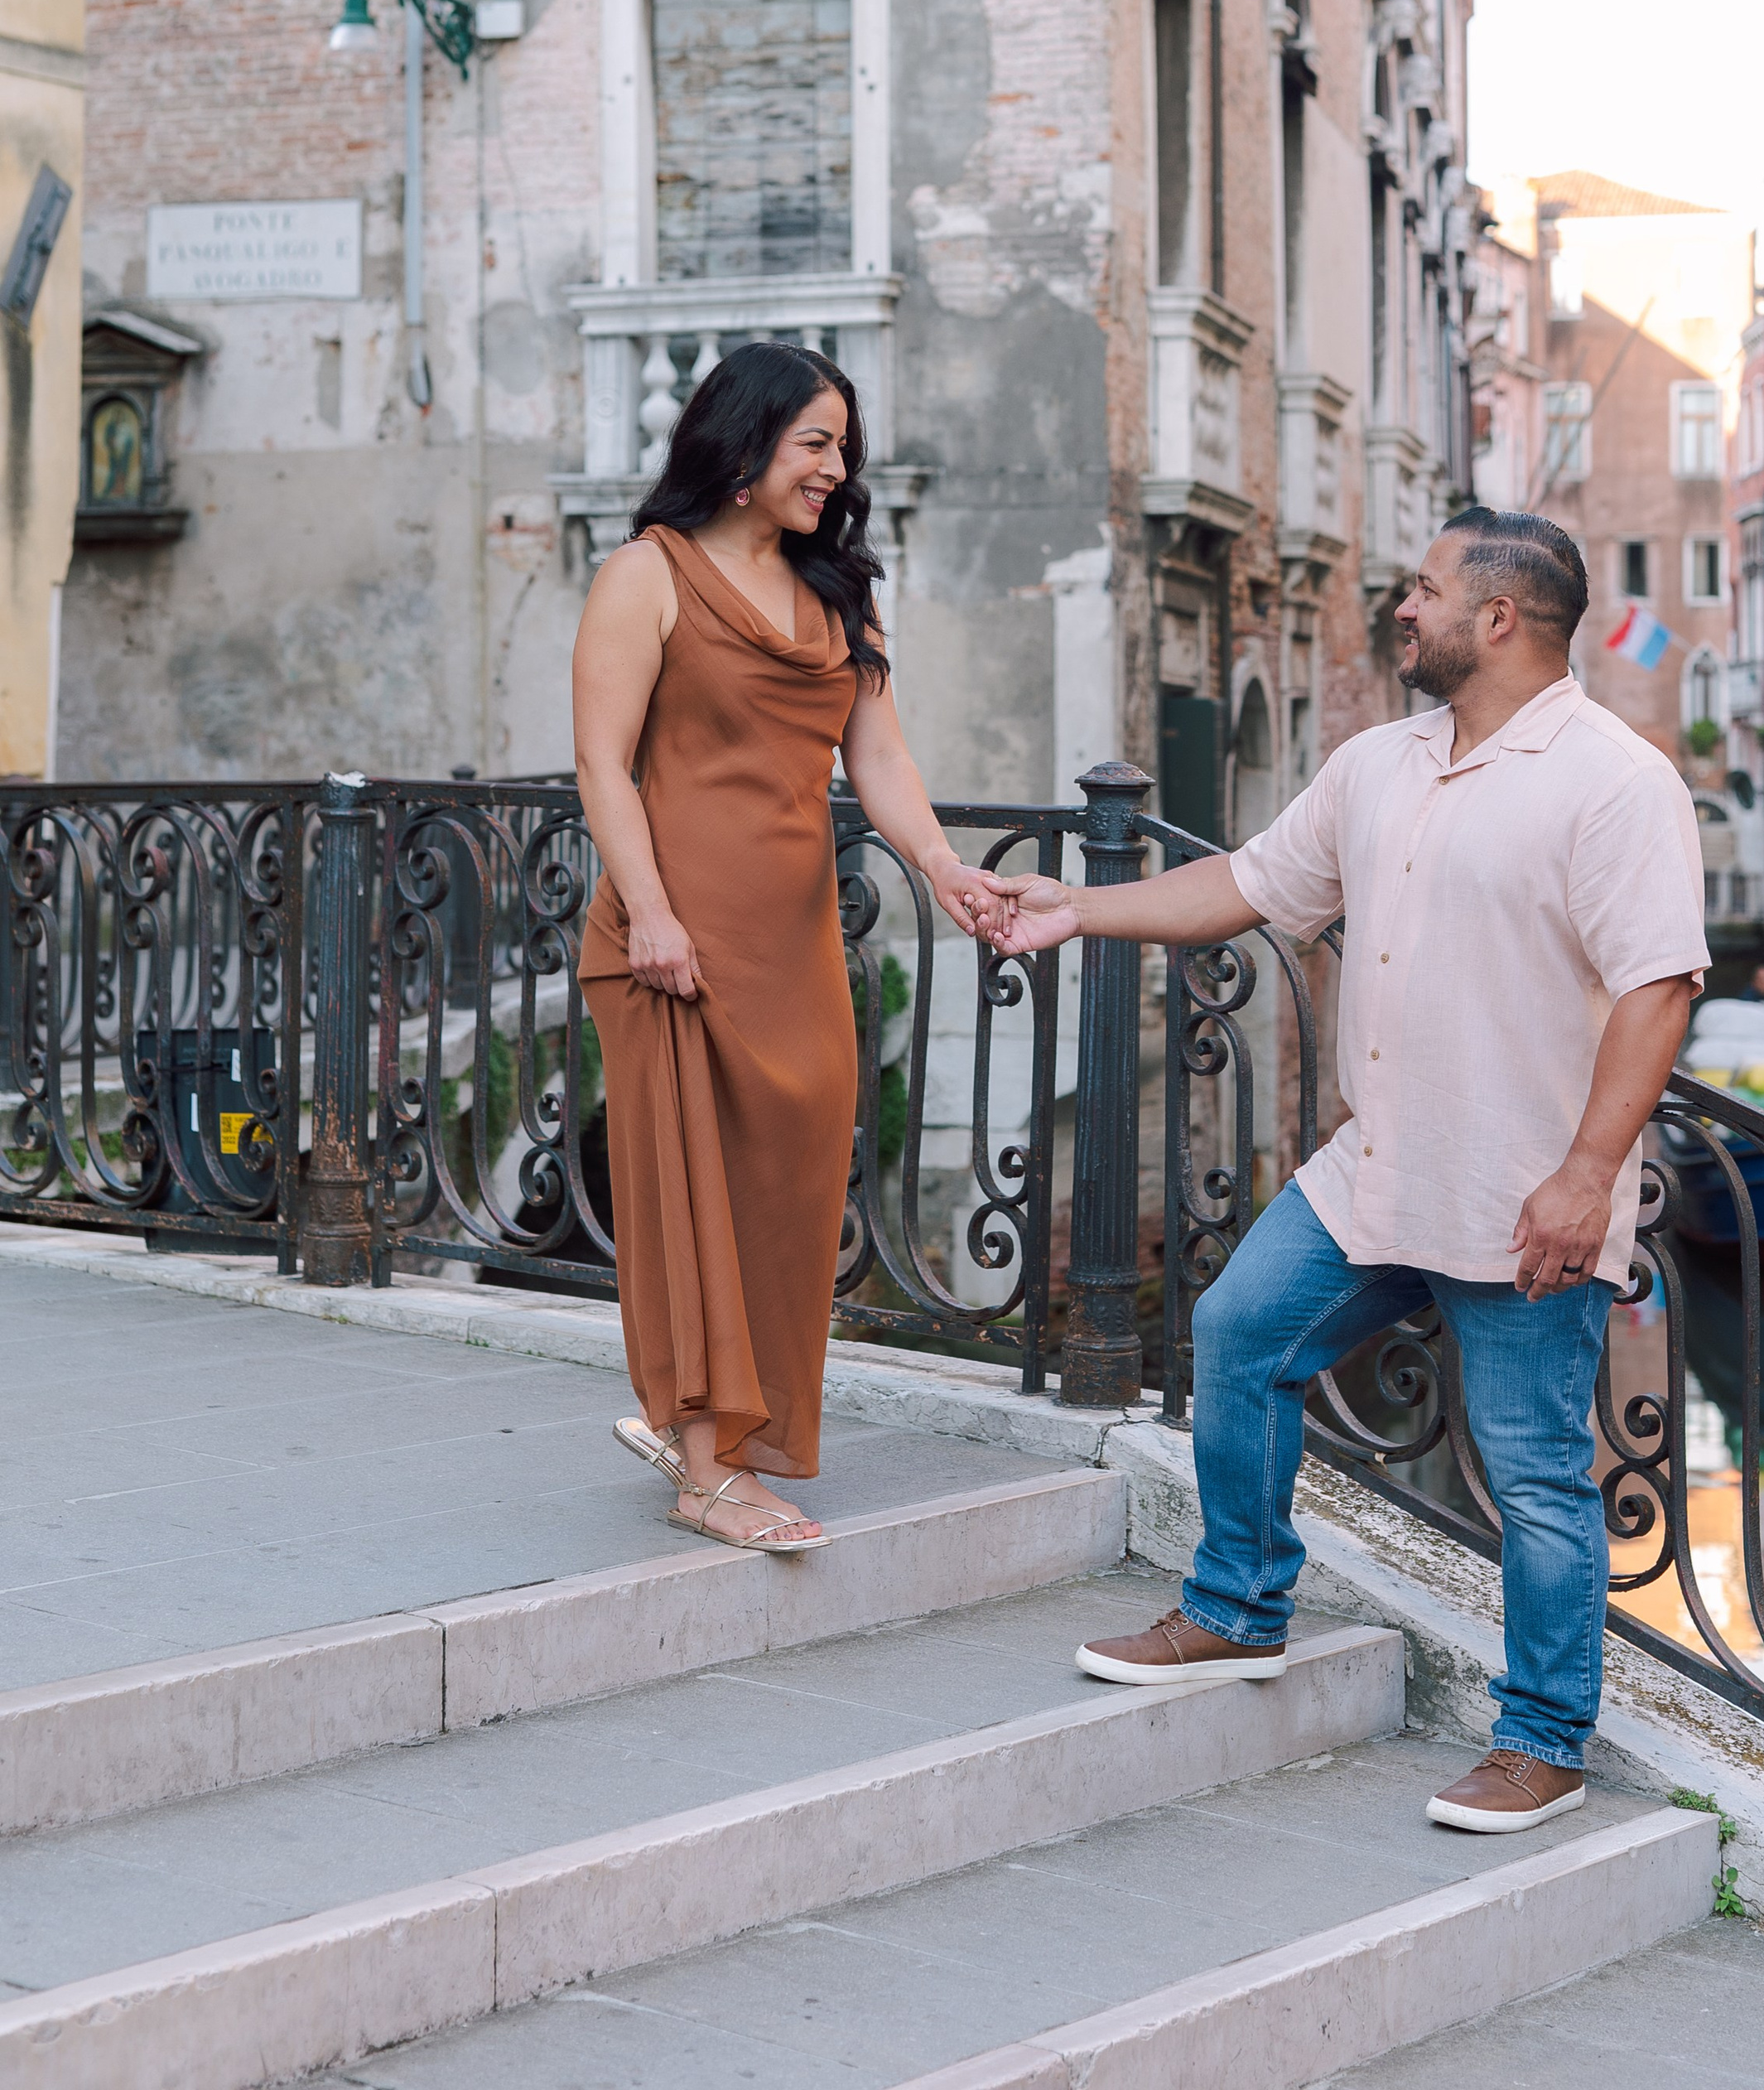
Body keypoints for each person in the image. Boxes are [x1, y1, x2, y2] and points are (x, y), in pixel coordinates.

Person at [972, 507, 1705, 1832]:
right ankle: (1241, 1607)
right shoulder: (1383, 762)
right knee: (1239, 1332)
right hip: (1377, 1167)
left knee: (1532, 1470)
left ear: (1498, 619)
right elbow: (1247, 887)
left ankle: (1542, 1738)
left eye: (1425, 591)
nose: (1403, 608)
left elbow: (1660, 987)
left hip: (1528, 1190)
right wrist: (1075, 910)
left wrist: (1590, 1174)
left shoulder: (1616, 779)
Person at [572, 343, 997, 1552]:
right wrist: (649, 912)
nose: (837, 466)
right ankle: (708, 1471)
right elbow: (603, 762)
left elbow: (881, 761)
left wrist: (946, 870)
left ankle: (721, 1430)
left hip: (794, 935)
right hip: (672, 933)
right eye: (815, 441)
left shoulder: (837, 591)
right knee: (692, 1190)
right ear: (745, 445)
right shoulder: (646, 577)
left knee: (792, 1183)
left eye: (842, 444)